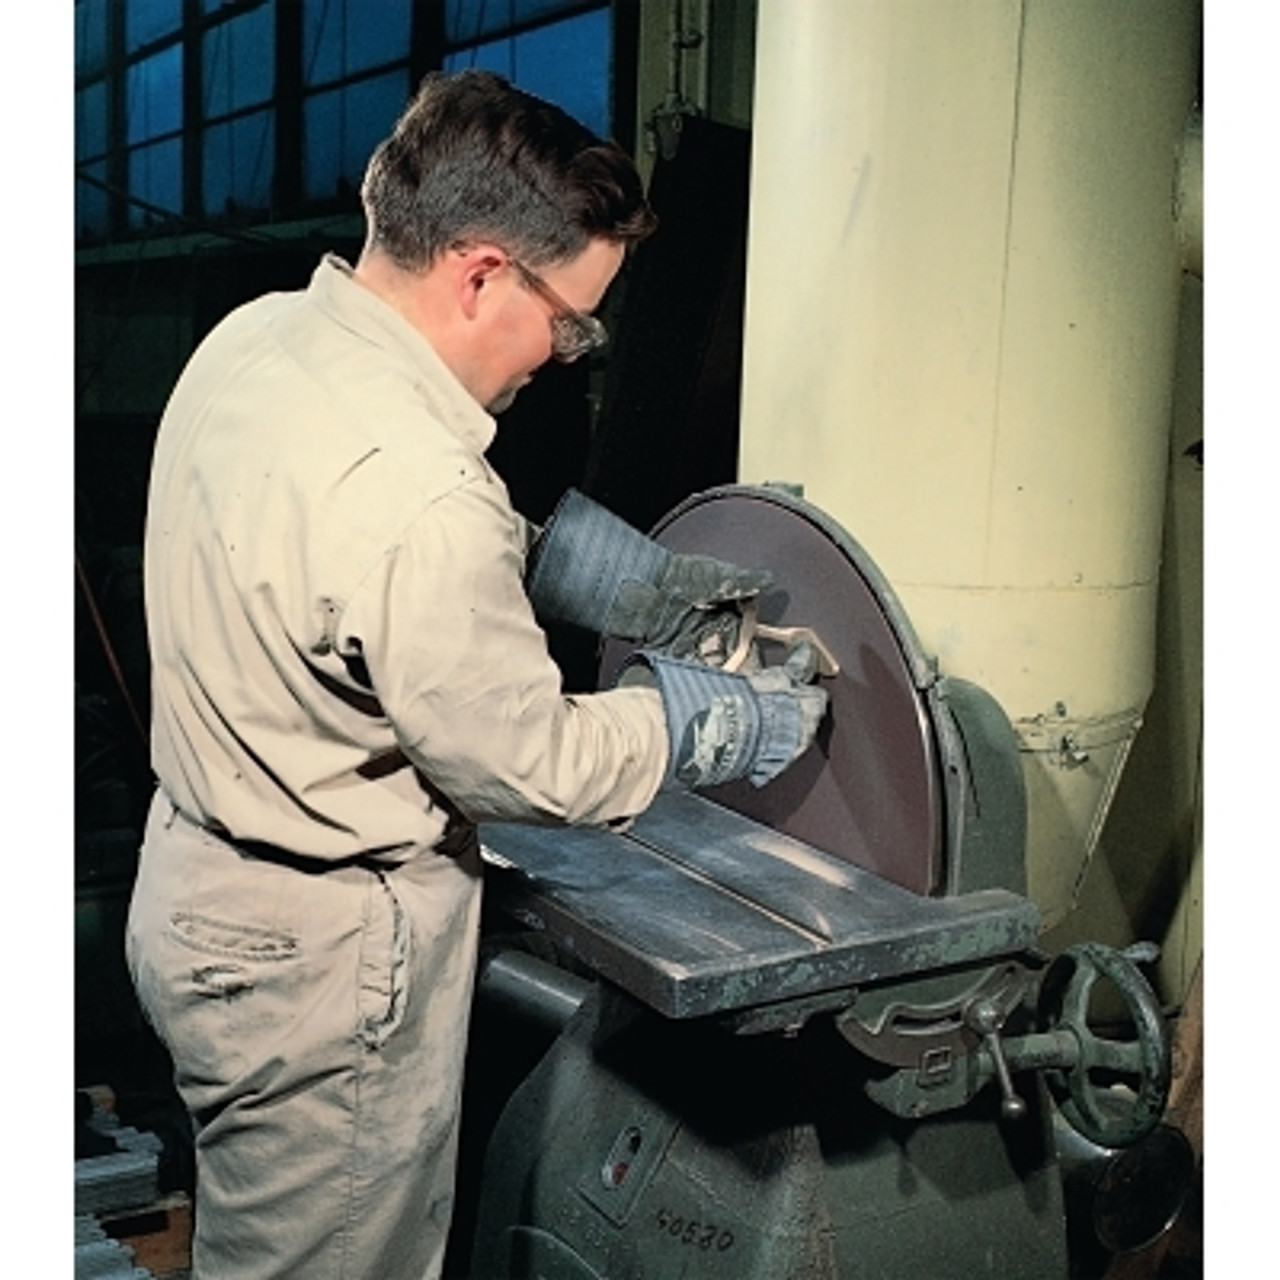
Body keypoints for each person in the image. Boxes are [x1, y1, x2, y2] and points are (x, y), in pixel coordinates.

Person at [125, 69, 827, 1280]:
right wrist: (705, 719)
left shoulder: (260, 341)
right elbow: (532, 764)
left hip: (199, 894)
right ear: (482, 272)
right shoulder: (422, 493)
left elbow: (340, 568)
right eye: (572, 320)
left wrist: (619, 585)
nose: (565, 353)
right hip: (320, 970)